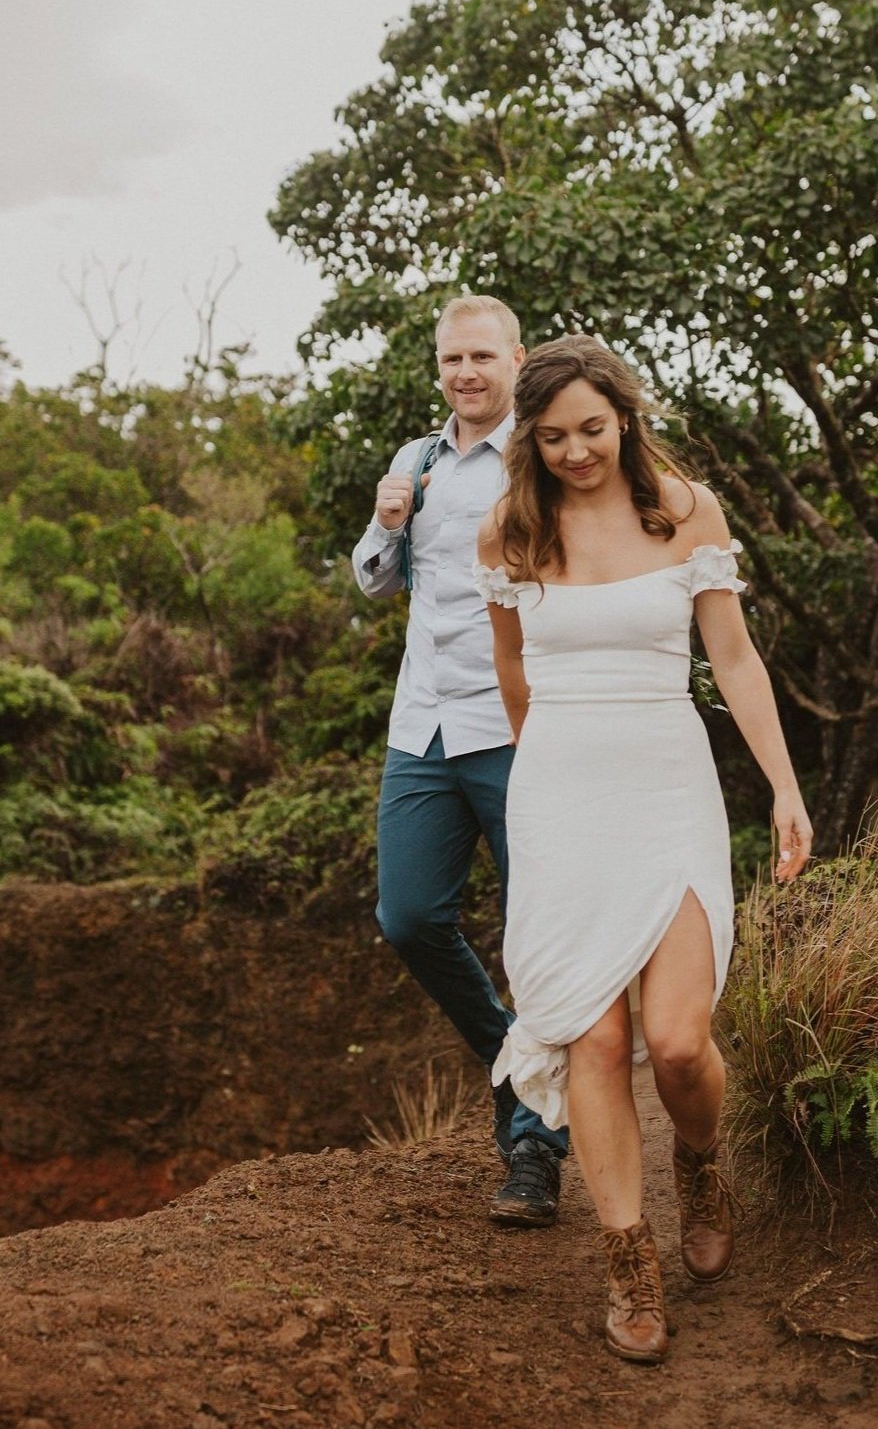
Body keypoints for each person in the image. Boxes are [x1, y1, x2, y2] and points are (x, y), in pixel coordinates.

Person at [475, 334, 811, 1363]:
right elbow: (514, 677)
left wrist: (786, 788)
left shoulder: (683, 507)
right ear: (527, 440)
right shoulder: (508, 532)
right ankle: (629, 1259)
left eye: (591, 428)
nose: (576, 451)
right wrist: (545, 796)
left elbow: (736, 657)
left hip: (668, 786)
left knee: (673, 1039)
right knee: (594, 1037)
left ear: (622, 413)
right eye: (552, 436)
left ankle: (701, 1161)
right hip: (563, 798)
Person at [351, 294, 569, 1226]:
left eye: (482, 356)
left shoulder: (545, 454)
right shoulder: (416, 459)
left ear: (516, 360)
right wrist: (386, 518)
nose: (466, 373)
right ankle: (508, 1063)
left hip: (519, 724)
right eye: (452, 360)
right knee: (407, 916)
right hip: (423, 726)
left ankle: (535, 1145)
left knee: (538, 935)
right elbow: (372, 578)